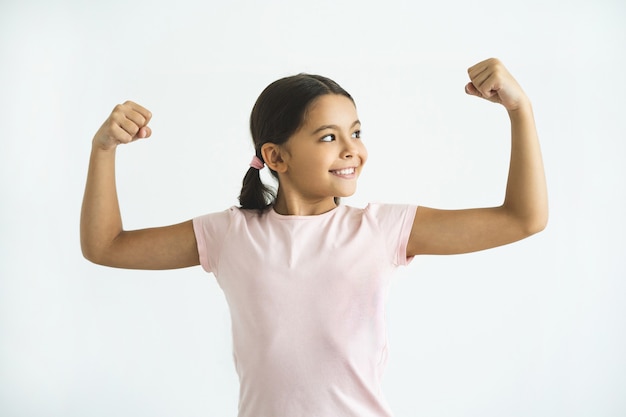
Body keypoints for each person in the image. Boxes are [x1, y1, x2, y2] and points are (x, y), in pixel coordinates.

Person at [80, 58, 548, 417]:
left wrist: (519, 109)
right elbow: (106, 246)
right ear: (276, 157)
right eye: (328, 137)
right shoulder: (229, 234)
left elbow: (523, 218)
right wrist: (103, 150)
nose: (353, 150)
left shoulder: (383, 228)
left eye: (357, 132)